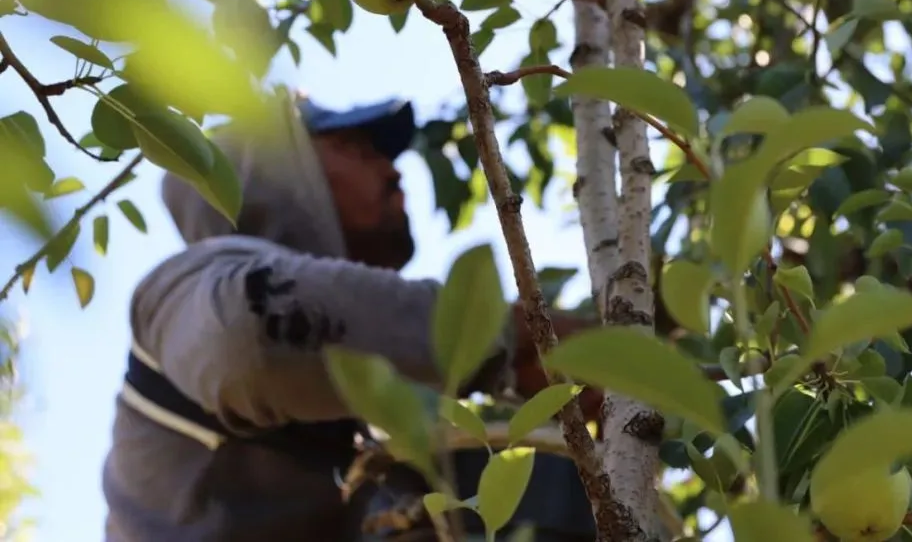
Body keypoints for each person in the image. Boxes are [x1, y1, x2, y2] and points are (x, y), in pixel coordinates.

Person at [101, 94, 602, 542]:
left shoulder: (364, 420)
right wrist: (514, 339)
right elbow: (246, 338)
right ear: (271, 172)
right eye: (354, 149)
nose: (392, 170)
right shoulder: (185, 289)